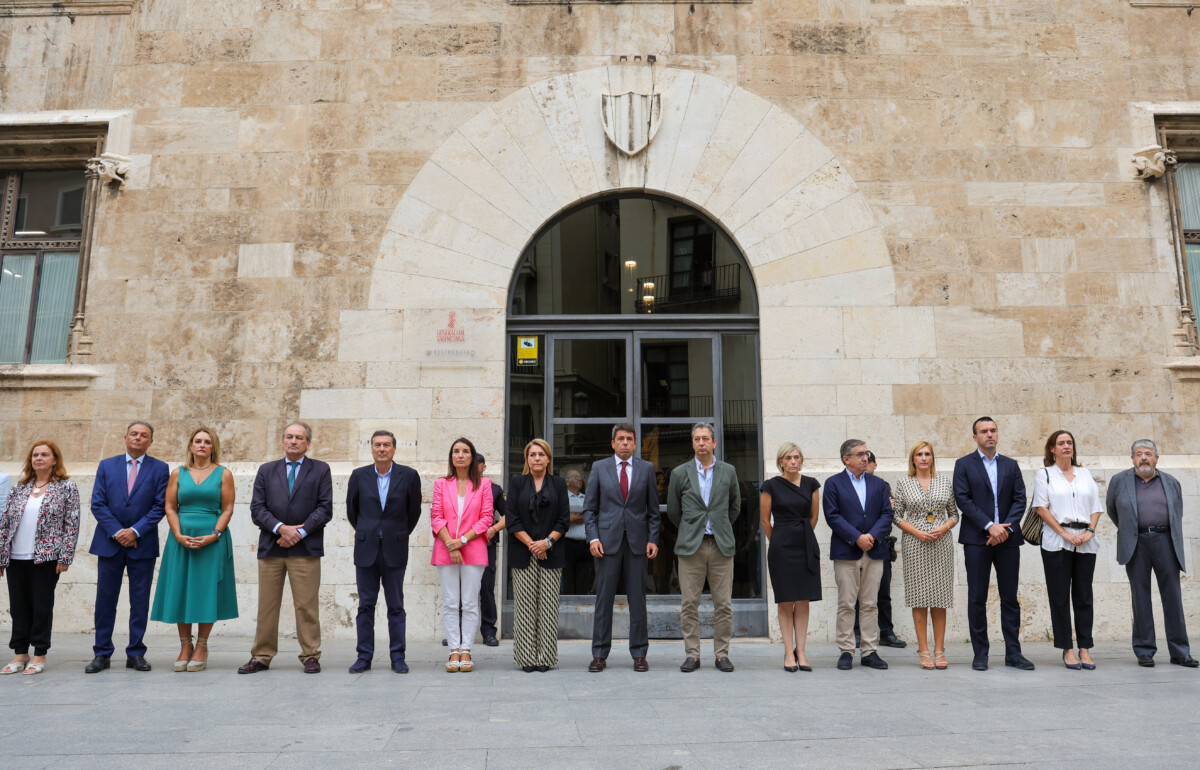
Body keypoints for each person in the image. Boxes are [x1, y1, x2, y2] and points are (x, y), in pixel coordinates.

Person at [240, 422, 333, 675]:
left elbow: (325, 509)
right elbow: (257, 509)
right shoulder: (266, 470)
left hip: (306, 549)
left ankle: (311, 655)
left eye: (299, 438)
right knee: (267, 605)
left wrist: (298, 533)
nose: (294, 441)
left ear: (308, 443)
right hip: (272, 547)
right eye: (289, 437)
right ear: (282, 441)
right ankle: (261, 656)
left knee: (306, 605)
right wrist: (282, 529)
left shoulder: (321, 470)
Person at [150, 427, 237, 672]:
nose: (202, 445)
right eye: (197, 441)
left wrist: (215, 535)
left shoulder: (224, 473)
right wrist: (177, 534)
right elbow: (169, 506)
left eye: (207, 442)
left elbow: (228, 508)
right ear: (190, 445)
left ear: (213, 447)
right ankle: (184, 645)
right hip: (182, 538)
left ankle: (202, 645)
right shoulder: (178, 473)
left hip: (211, 538)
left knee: (206, 590)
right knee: (182, 589)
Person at [85, 421, 169, 674]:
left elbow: (160, 506)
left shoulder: (160, 469)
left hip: (142, 544)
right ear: (125, 437)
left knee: (140, 601)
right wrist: (118, 532)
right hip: (109, 543)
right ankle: (102, 653)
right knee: (105, 600)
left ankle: (136, 653)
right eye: (134, 434)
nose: (138, 438)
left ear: (150, 442)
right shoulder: (106, 465)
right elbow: (98, 503)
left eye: (144, 436)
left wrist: (135, 531)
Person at [1106, 439, 1198, 668]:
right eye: (1138, 454)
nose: (1143, 458)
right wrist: (1131, 530)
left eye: (1148, 453)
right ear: (1132, 459)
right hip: (1136, 543)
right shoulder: (1119, 481)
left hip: (1166, 541)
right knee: (1141, 597)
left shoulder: (1171, 482)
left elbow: (1177, 512)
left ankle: (1180, 652)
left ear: (1157, 457)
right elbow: (1112, 509)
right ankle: (1145, 650)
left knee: (1173, 597)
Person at [952, 417, 1033, 671]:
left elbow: (1020, 499)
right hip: (978, 539)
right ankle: (980, 653)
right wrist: (990, 526)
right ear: (974, 437)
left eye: (993, 430)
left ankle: (1013, 653)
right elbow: (963, 499)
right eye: (984, 431)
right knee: (977, 597)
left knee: (1010, 597)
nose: (990, 434)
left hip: (1008, 539)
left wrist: (1005, 527)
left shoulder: (1010, 465)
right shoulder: (964, 464)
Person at [584, 422, 661, 673]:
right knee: (603, 600)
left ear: (635, 443)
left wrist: (653, 539)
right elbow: (589, 509)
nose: (625, 442)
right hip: (606, 544)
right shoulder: (599, 468)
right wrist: (593, 538)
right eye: (621, 439)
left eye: (629, 439)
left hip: (638, 544)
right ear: (613, 443)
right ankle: (599, 654)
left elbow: (653, 511)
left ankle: (639, 654)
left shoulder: (647, 469)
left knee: (637, 600)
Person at [0, 441, 80, 676]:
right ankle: (20, 653)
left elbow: (72, 524)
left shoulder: (66, 487)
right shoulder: (20, 488)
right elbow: (4, 524)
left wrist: (65, 555)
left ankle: (39, 653)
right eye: (35, 455)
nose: (39, 458)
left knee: (41, 606)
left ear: (55, 459)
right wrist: (2, 557)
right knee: (18, 607)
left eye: (45, 454)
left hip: (45, 558)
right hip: (16, 557)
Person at [668, 423, 741, 673]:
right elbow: (675, 511)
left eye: (705, 439)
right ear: (692, 443)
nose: (701, 443)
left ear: (714, 442)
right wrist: (693, 528)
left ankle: (722, 655)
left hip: (721, 546)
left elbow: (735, 507)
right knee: (689, 603)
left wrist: (719, 526)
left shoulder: (729, 471)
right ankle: (692, 655)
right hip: (691, 547)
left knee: (724, 604)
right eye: (697, 439)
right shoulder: (679, 473)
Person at [346, 430, 422, 674]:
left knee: (396, 605)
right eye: (377, 445)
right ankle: (364, 657)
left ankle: (397, 657)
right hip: (366, 549)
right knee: (365, 606)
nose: (382, 449)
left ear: (394, 449)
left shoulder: (409, 476)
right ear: (371, 448)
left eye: (386, 445)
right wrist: (370, 531)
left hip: (395, 548)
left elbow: (414, 512)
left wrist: (395, 532)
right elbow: (352, 510)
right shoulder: (359, 476)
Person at [1032, 430, 1103, 670]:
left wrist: (1089, 532)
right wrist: (1064, 534)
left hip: (1085, 540)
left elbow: (1096, 507)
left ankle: (1085, 648)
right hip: (1056, 540)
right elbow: (1041, 507)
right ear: (1051, 449)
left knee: (1084, 596)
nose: (1066, 446)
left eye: (1069, 443)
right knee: (1059, 596)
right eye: (1061, 443)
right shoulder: (1045, 475)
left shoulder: (1084, 473)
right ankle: (1067, 649)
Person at [824, 439, 893, 671]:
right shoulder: (833, 484)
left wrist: (871, 536)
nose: (866, 458)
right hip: (846, 551)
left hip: (874, 550)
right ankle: (845, 650)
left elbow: (887, 514)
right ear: (846, 459)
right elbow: (833, 517)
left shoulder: (878, 484)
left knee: (870, 604)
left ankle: (870, 651)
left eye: (867, 454)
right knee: (846, 603)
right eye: (860, 454)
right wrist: (856, 537)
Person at [891, 441, 958, 670]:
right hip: (914, 543)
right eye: (919, 454)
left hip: (941, 542)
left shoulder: (944, 482)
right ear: (913, 459)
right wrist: (918, 532)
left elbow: (954, 514)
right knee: (919, 598)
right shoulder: (903, 483)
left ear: (932, 458)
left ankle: (940, 650)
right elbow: (897, 516)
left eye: (927, 454)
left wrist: (944, 527)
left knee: (940, 598)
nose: (923, 458)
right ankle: (923, 650)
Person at [432, 437, 494, 673]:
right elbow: (436, 516)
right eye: (456, 451)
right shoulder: (441, 484)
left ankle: (466, 649)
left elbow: (487, 518)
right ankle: (453, 650)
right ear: (451, 457)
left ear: (472, 456)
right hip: (446, 549)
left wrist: (463, 541)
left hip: (474, 548)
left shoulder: (484, 484)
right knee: (450, 602)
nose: (460, 455)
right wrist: (451, 544)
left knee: (468, 602)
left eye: (465, 451)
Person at [506, 439, 569, 672]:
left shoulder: (559, 484)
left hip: (551, 553)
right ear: (527, 459)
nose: (537, 459)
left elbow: (564, 519)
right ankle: (526, 658)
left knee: (549, 607)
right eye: (532, 455)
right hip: (523, 553)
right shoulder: (517, 483)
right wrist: (533, 544)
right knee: (524, 608)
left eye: (541, 454)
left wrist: (547, 542)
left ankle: (545, 657)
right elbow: (511, 519)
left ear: (548, 458)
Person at [759, 442, 820, 672]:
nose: (793, 461)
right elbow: (765, 520)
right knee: (785, 600)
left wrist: (802, 535)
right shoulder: (770, 486)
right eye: (788, 458)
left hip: (805, 544)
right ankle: (788, 652)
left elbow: (814, 517)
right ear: (780, 462)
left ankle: (801, 651)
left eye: (797, 457)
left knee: (803, 599)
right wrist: (779, 540)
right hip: (781, 546)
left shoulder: (812, 484)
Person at [855, 451, 906, 650]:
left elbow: (889, 514)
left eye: (869, 462)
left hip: (879, 545)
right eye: (862, 460)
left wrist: (873, 536)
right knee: (857, 593)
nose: (865, 464)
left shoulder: (883, 487)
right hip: (856, 545)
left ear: (875, 465)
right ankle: (857, 632)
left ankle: (886, 631)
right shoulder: (850, 486)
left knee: (883, 593)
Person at [476, 453, 505, 647]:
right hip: (463, 545)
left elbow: (508, 514)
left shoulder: (494, 490)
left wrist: (493, 529)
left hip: (486, 545)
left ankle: (488, 631)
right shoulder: (457, 486)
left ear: (484, 467)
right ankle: (458, 632)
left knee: (486, 588)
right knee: (460, 590)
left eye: (478, 464)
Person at [561, 468, 593, 595]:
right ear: (567, 481)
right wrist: (581, 516)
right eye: (575, 476)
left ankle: (582, 608)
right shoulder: (563, 498)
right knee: (568, 579)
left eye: (580, 477)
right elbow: (567, 517)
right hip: (568, 544)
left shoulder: (586, 498)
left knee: (583, 580)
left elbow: (594, 516)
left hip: (585, 545)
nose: (579, 479)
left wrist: (576, 516)